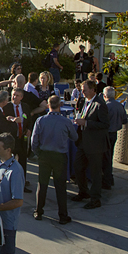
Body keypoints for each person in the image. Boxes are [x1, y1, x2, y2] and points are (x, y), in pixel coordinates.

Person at [31, 95, 77, 225]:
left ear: (48, 105)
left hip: (45, 155)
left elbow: (34, 141)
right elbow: (74, 137)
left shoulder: (41, 121)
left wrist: (38, 153)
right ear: (60, 105)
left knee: (42, 184)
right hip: (60, 156)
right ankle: (62, 215)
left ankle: (39, 211)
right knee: (60, 186)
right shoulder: (65, 122)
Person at [72, 79, 110, 210]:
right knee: (78, 167)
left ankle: (95, 199)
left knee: (95, 173)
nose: (82, 92)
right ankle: (83, 192)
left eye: (85, 90)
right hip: (83, 141)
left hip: (95, 145)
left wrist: (86, 123)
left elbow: (105, 124)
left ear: (93, 90)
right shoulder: (84, 101)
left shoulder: (100, 104)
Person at [3, 88, 32, 192]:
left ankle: (22, 184)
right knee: (9, 161)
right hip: (12, 139)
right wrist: (11, 119)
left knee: (23, 162)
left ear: (21, 97)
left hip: (22, 139)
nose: (14, 97)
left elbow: (29, 120)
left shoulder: (25, 107)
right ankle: (7, 184)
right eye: (13, 95)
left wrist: (29, 129)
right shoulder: (7, 107)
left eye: (17, 95)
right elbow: (4, 119)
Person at [103, 86, 128, 189]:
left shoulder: (106, 107)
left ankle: (107, 180)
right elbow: (125, 120)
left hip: (107, 134)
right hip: (115, 133)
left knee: (105, 158)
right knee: (110, 156)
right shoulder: (120, 106)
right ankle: (109, 178)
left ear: (104, 95)